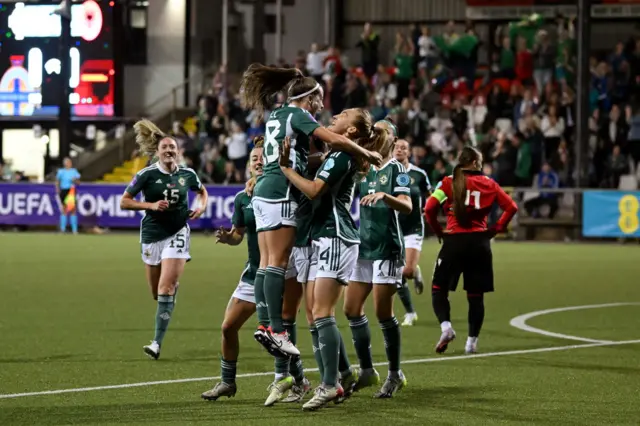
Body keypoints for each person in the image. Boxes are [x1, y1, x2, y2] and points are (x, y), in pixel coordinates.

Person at [239, 63, 382, 356]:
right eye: (320, 99)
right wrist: (367, 151)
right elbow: (335, 139)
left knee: (266, 263)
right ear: (310, 97)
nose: (322, 107)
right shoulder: (299, 114)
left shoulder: (276, 114)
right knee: (277, 262)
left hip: (265, 190)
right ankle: (275, 329)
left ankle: (266, 324)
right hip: (281, 192)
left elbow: (305, 155)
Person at [280, 108, 386, 410]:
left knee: (322, 312)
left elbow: (314, 191)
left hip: (335, 237)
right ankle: (342, 373)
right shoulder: (336, 154)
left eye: (342, 115)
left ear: (351, 131)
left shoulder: (341, 156)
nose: (334, 116)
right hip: (321, 236)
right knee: (314, 314)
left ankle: (330, 385)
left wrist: (287, 170)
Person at [201, 141, 311, 404]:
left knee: (284, 324)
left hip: (283, 269)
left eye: (263, 157)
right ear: (249, 164)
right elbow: (239, 233)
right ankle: (228, 382)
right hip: (254, 272)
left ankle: (291, 379)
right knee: (228, 327)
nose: (259, 161)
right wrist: (230, 238)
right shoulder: (243, 198)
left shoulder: (287, 189)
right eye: (254, 158)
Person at [120, 119, 208, 360]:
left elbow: (202, 191)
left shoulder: (188, 174)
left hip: (178, 232)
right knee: (156, 294)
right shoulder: (146, 175)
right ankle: (169, 293)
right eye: (165, 148)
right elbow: (124, 201)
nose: (169, 151)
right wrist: (150, 205)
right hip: (151, 235)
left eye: (173, 148)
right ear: (157, 152)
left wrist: (200, 207)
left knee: (165, 287)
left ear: (177, 152)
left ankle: (156, 343)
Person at [424, 146, 517, 355]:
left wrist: (438, 231)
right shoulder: (490, 184)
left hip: (454, 241)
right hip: (480, 244)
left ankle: (446, 327)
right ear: (475, 162)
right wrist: (496, 229)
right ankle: (471, 343)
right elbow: (511, 207)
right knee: (476, 296)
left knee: (439, 288)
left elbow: (429, 207)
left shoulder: (448, 182)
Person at [343, 123, 413, 399]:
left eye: (382, 131)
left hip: (387, 248)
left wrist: (387, 196)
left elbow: (407, 206)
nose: (376, 135)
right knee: (350, 309)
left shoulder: (397, 169)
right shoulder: (363, 167)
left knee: (383, 313)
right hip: (363, 248)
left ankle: (395, 374)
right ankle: (368, 370)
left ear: (392, 139)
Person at [393, 139, 431, 326]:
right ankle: (410, 312)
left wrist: (429, 209)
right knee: (396, 273)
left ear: (409, 152)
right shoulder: (386, 172)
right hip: (393, 228)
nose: (400, 150)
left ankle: (414, 272)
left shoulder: (419, 174)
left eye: (403, 148)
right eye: (397, 147)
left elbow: (429, 195)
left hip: (414, 226)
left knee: (406, 270)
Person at [56, 157, 81, 234]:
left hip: (71, 190)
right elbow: (57, 181)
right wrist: (57, 189)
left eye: (69, 162)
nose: (69, 163)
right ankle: (63, 229)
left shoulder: (74, 171)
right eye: (67, 162)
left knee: (72, 209)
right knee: (64, 209)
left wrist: (75, 180)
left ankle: (74, 229)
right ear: (65, 163)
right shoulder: (61, 171)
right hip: (63, 190)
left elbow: (78, 182)